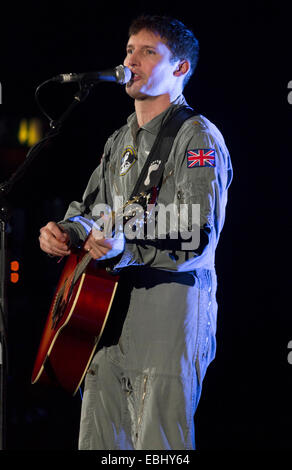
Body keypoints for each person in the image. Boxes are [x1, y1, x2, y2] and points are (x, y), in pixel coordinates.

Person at [38, 15, 233, 450]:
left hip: (167, 315)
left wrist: (126, 241)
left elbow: (195, 230)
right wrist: (67, 233)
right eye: (129, 50)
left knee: (159, 447)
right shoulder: (119, 140)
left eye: (148, 51)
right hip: (105, 317)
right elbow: (93, 210)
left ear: (180, 68)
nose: (132, 59)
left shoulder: (196, 136)